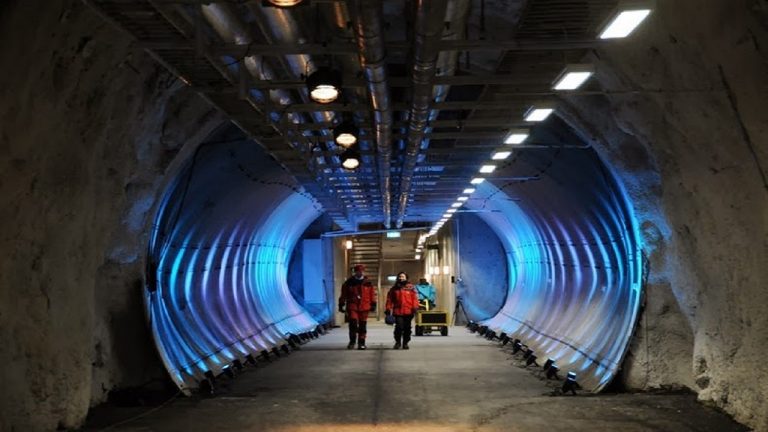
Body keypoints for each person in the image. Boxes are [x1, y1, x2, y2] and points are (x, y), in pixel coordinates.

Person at [338, 264, 377, 350]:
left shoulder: (368, 283)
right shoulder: (348, 283)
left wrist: (373, 304)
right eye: (358, 271)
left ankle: (361, 343)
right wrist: (341, 304)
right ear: (355, 272)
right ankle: (352, 341)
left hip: (364, 306)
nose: (360, 272)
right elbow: (343, 294)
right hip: (353, 306)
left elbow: (372, 294)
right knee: (353, 324)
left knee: (362, 325)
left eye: (362, 271)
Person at [385, 272, 419, 350]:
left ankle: (405, 343)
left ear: (406, 278)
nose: (401, 278)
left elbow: (414, 298)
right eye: (400, 276)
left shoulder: (411, 288)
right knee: (399, 327)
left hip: (408, 311)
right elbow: (389, 300)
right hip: (398, 311)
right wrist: (388, 308)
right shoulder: (394, 289)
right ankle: (398, 342)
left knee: (407, 328)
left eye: (403, 276)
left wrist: (415, 307)